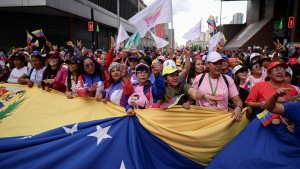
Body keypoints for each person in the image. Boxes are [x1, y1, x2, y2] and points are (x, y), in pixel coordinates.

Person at [192, 51, 243, 122]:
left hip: (221, 120)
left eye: (220, 63)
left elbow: (238, 101)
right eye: (215, 63)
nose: (218, 66)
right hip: (202, 119)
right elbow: (191, 97)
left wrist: (238, 108)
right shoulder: (199, 79)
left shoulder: (228, 80)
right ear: (208, 64)